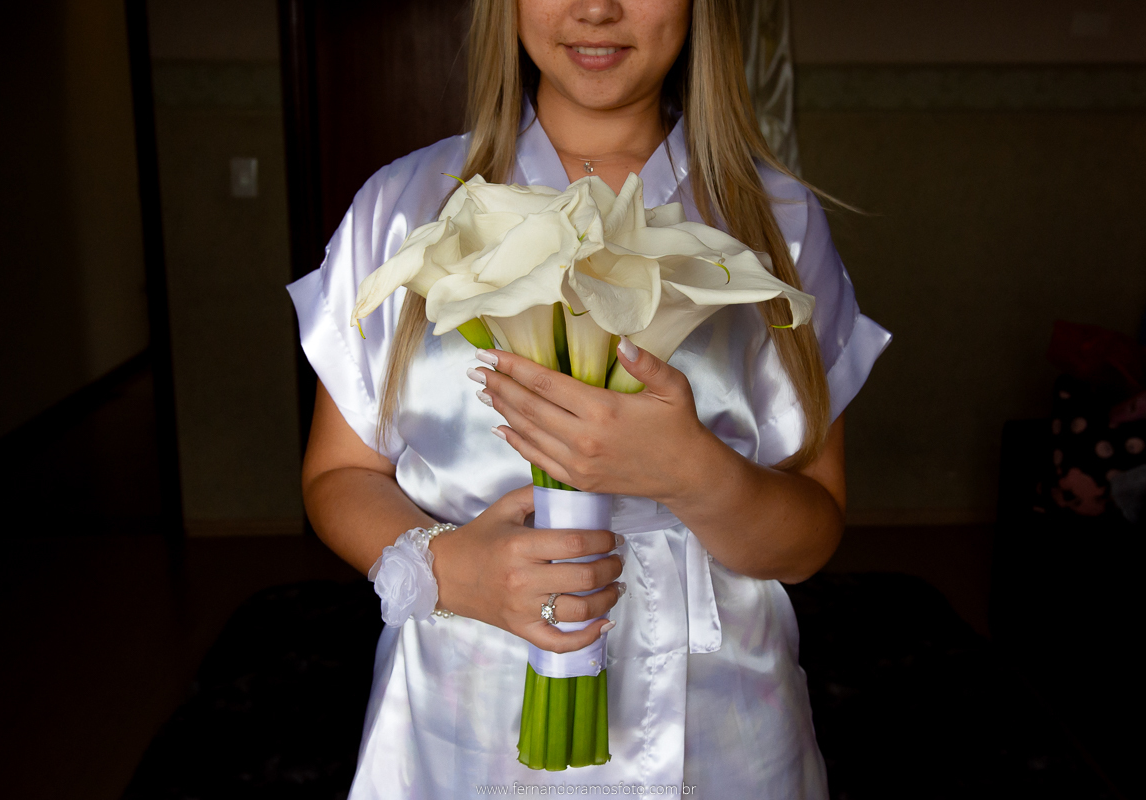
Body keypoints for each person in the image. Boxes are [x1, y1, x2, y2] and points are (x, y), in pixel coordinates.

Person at [288, 0, 891, 796]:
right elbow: (338, 476)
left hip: (719, 722)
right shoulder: (404, 208)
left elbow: (811, 532)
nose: (597, 8)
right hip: (462, 706)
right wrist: (444, 568)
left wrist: (692, 471)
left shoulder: (775, 223)